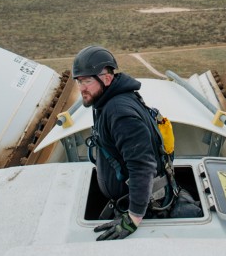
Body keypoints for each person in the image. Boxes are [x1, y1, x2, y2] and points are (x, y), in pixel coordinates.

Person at [73, 45, 176, 241]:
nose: (81, 88)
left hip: (145, 205)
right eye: (79, 81)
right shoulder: (105, 100)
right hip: (125, 198)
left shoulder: (120, 114)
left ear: (107, 78)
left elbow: (142, 167)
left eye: (86, 81)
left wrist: (133, 217)